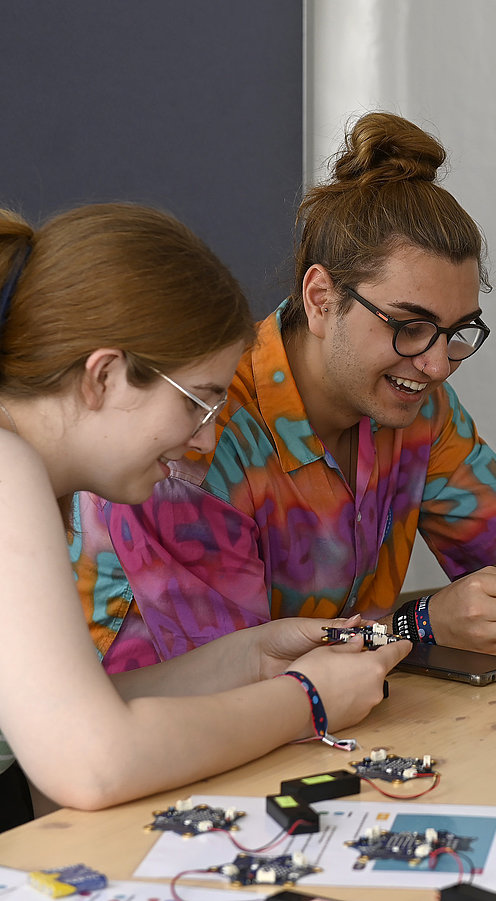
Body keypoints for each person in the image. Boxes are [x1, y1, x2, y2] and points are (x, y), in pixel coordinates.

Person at [73, 111, 496, 673]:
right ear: (321, 298)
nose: (436, 364)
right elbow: (240, 673)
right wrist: (420, 626)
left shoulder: (417, 406)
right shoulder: (193, 439)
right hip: (175, 732)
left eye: (457, 332)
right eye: (409, 325)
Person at [0, 203, 409, 827]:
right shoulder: (8, 470)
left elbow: (64, 714)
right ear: (103, 375)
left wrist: (252, 660)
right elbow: (93, 762)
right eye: (197, 403)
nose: (205, 439)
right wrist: (308, 701)